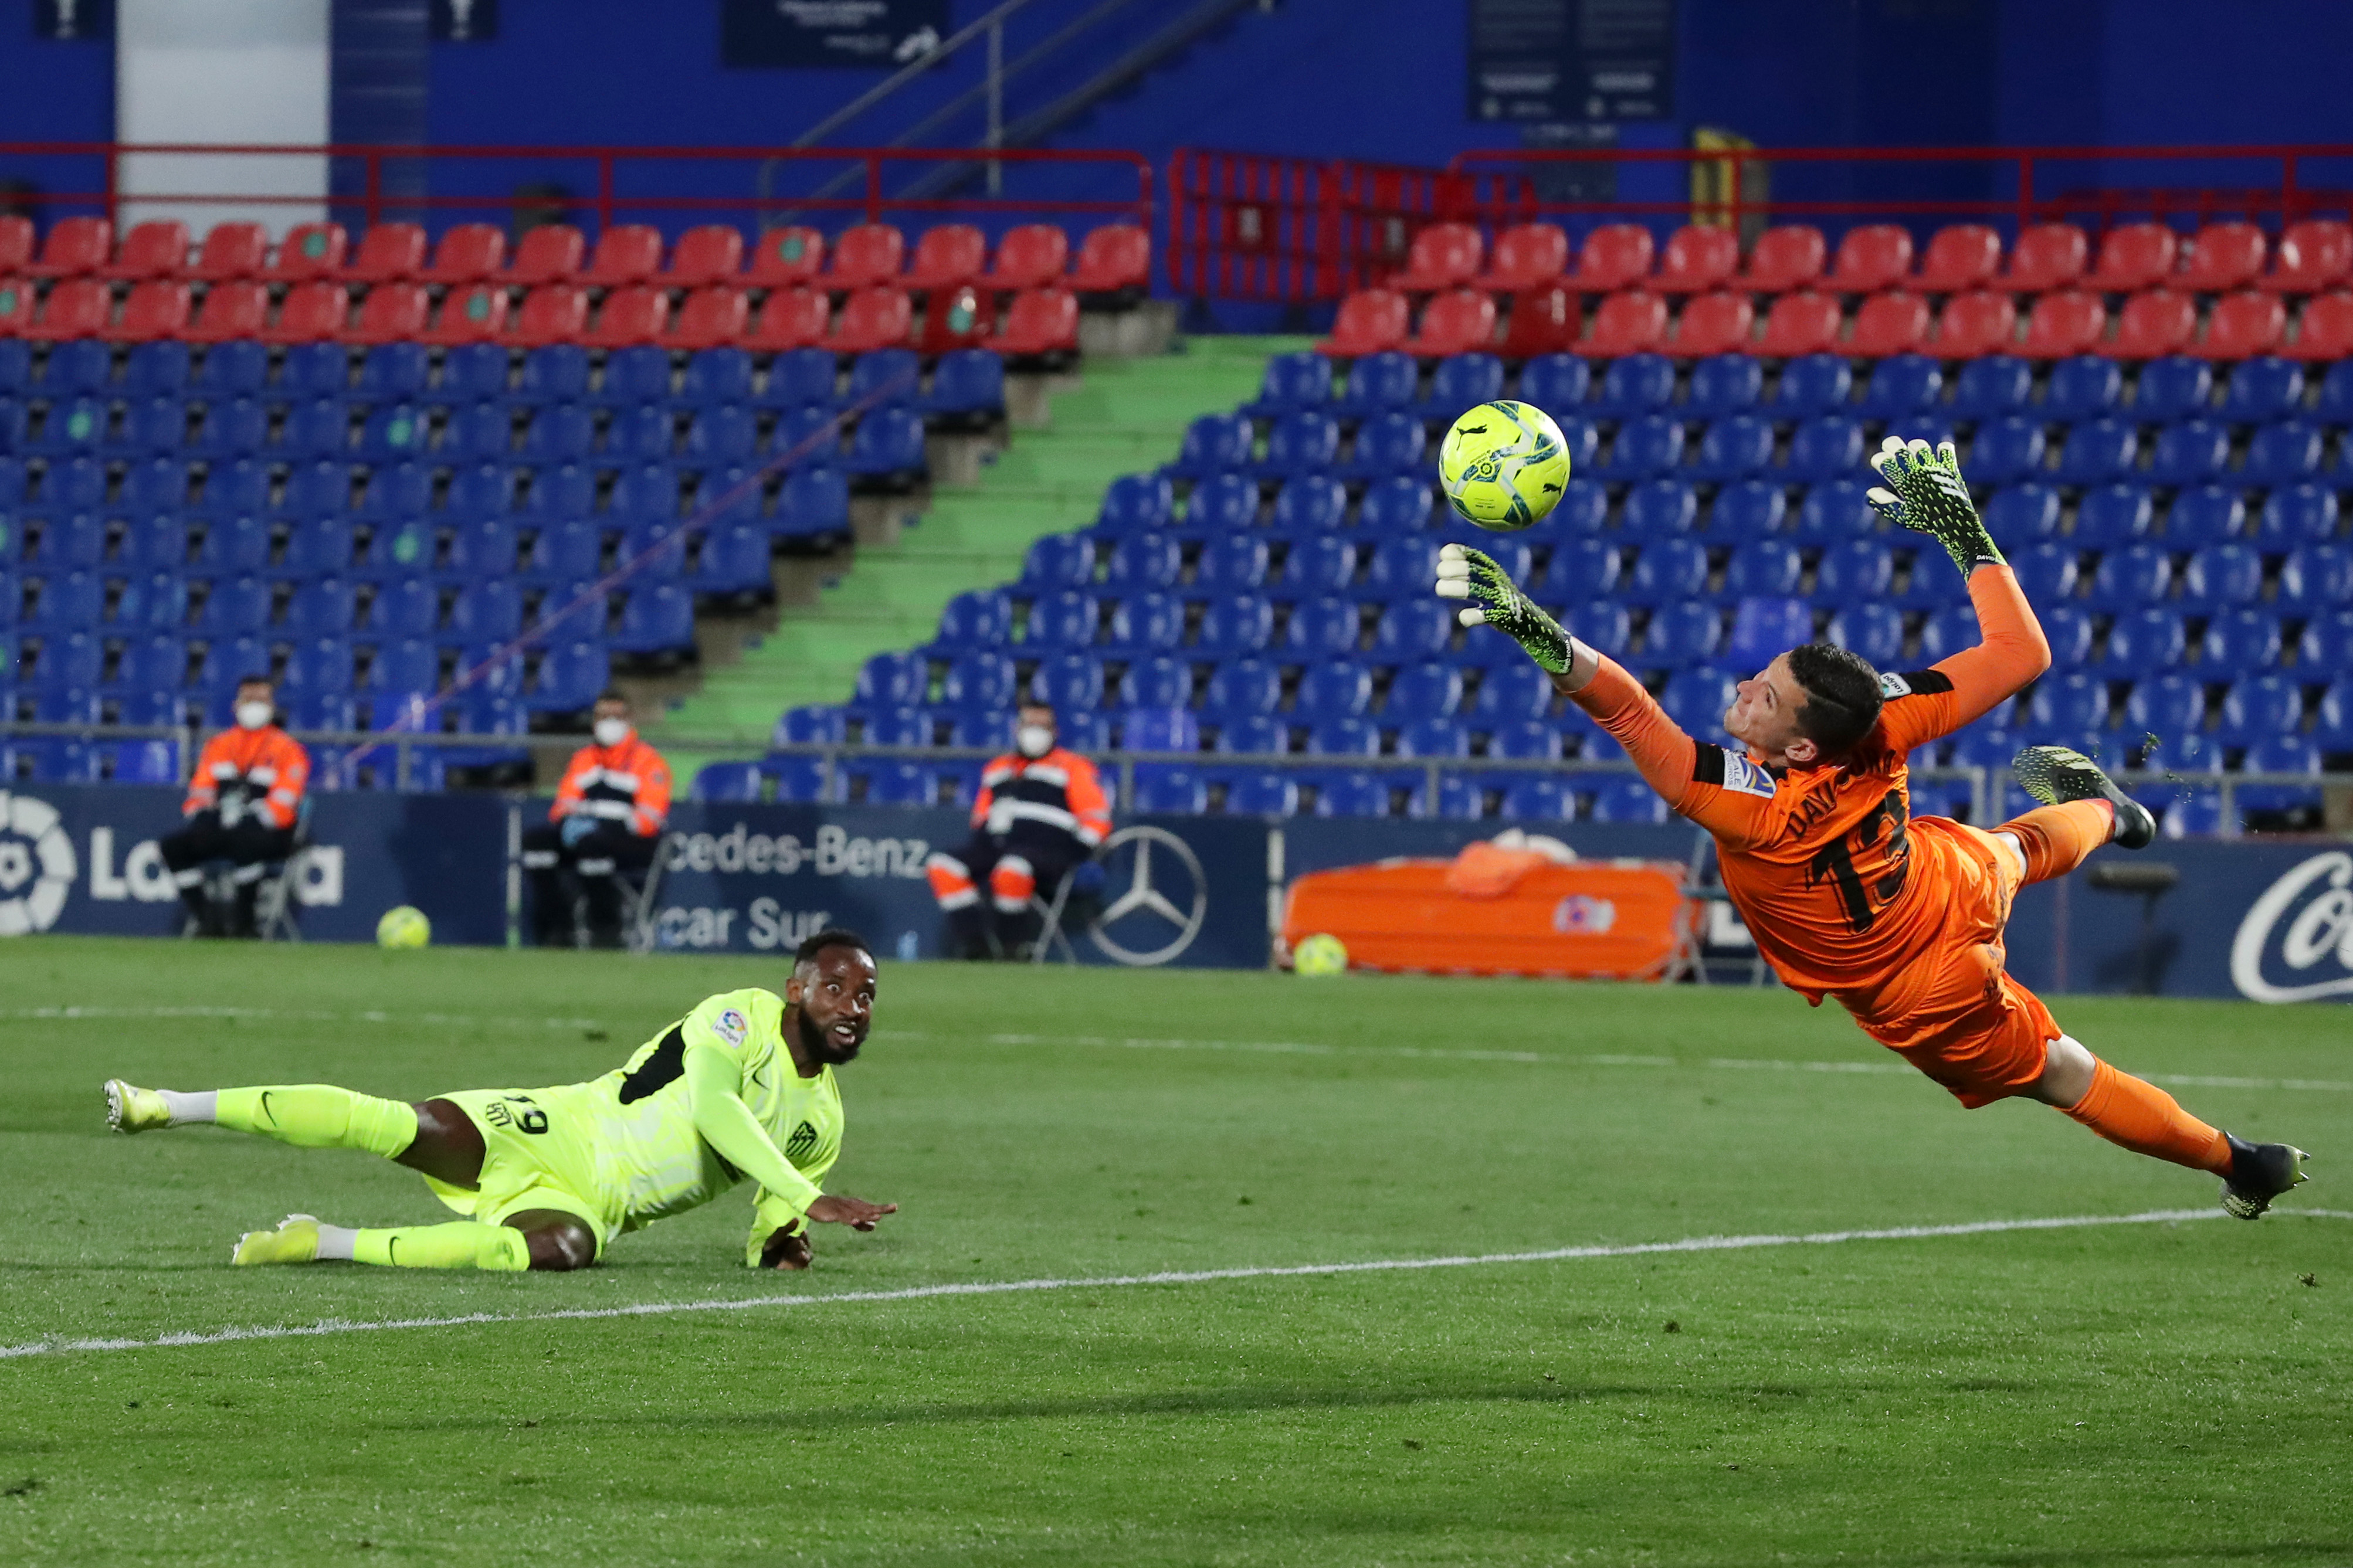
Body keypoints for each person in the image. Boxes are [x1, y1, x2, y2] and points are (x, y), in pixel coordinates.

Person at [1437, 437, 2309, 1219]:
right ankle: (2117, 811)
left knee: (2062, 1072)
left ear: (1803, 741)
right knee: (2012, 848)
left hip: (1921, 982)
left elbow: (1628, 712)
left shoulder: (1749, 809)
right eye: (1762, 673)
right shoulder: (1883, 716)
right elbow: (2021, 655)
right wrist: (1960, 527)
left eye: (1765, 695)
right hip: (1934, 873)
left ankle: (2243, 1161)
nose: (1745, 686)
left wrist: (1529, 624)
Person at [101, 929, 897, 1272]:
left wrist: (783, 1240)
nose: (852, 1006)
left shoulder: (820, 1123)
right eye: (835, 987)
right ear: (796, 989)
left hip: (599, 1207)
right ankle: (167, 1103)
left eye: (865, 995)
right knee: (406, 1124)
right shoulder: (738, 1015)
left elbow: (773, 1219)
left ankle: (322, 1241)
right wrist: (808, 1194)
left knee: (562, 1252)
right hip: (564, 1129)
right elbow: (716, 1111)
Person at [925, 700, 1111, 959]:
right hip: (997, 845)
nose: (1035, 732)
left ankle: (1013, 948)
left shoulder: (1073, 767)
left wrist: (1076, 851)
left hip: (1049, 850)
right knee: (942, 865)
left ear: (1055, 732)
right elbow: (981, 817)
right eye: (1029, 724)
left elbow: (1097, 818)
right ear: (1017, 728)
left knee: (1012, 869)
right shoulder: (998, 768)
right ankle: (976, 947)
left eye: (1042, 726)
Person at [160, 674, 311, 938]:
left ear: (272, 706)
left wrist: (248, 818)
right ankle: (208, 920)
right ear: (236, 705)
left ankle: (246, 925)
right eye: (249, 698)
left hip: (270, 834)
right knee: (174, 847)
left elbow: (284, 805)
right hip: (224, 825)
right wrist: (210, 816)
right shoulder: (219, 746)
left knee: (246, 843)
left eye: (261, 699)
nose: (255, 705)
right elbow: (200, 793)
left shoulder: (288, 750)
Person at [523, 690, 672, 949]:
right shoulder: (584, 759)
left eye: (617, 716)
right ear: (594, 721)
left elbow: (649, 818)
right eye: (603, 716)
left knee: (593, 846)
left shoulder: (648, 761)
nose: (609, 722)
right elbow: (562, 807)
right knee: (537, 843)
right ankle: (558, 930)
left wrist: (601, 821)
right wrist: (573, 823)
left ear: (629, 719)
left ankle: (607, 931)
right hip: (585, 836)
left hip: (633, 842)